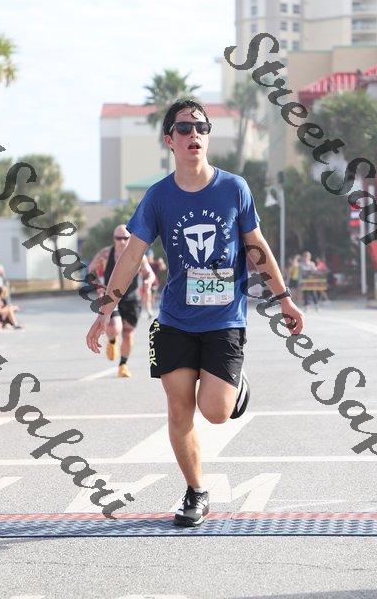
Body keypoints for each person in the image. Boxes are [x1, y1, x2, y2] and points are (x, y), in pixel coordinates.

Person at [86, 100, 304, 527]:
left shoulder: (234, 188)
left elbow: (257, 248)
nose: (194, 135)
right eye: (184, 129)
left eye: (201, 128)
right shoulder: (158, 196)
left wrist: (284, 298)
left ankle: (234, 386)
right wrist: (104, 311)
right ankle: (196, 491)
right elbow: (131, 257)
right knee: (178, 408)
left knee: (216, 411)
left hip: (225, 320)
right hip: (175, 320)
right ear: (170, 140)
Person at [89, 225, 155, 378]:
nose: (122, 241)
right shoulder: (105, 254)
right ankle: (112, 340)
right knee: (114, 327)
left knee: (128, 332)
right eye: (119, 238)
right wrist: (98, 286)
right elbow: (90, 270)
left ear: (131, 238)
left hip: (132, 298)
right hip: (111, 296)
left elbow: (150, 274)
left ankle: (123, 365)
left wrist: (148, 282)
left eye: (126, 238)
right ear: (114, 239)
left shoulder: (139, 255)